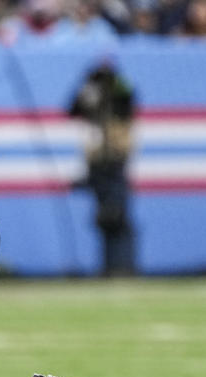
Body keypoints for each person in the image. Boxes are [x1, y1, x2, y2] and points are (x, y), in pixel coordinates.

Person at [68, 60, 136, 276]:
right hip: (97, 161)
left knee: (118, 215)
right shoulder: (91, 98)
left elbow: (127, 101)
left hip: (116, 160)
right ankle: (108, 267)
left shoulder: (121, 94)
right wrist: (89, 87)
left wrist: (112, 81)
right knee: (103, 218)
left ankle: (123, 265)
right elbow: (72, 110)